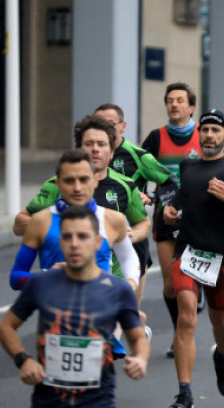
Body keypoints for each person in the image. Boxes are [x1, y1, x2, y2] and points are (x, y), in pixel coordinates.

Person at [0, 205, 149, 408]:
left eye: (82, 236)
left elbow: (137, 337)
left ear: (98, 241)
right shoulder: (41, 284)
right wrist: (23, 359)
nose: (74, 244)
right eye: (67, 237)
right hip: (49, 402)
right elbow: (6, 327)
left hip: (95, 401)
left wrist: (141, 359)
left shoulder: (117, 289)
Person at [162, 109, 224, 408]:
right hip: (187, 252)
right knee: (186, 317)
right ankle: (185, 394)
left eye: (216, 130)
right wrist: (170, 210)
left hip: (222, 257)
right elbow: (180, 198)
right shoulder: (187, 166)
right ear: (198, 135)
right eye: (205, 130)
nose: (210, 135)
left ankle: (223, 355)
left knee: (221, 323)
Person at [9, 150, 144, 354]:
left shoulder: (112, 219)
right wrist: (48, 277)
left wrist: (131, 283)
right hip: (54, 328)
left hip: (99, 325)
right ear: (58, 184)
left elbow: (128, 257)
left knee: (99, 383)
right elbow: (15, 277)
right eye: (70, 181)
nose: (78, 187)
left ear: (95, 180)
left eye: (84, 179)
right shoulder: (40, 221)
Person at [141, 82, 203, 358]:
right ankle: (179, 331)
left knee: (192, 280)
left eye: (180, 100)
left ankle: (185, 328)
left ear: (191, 107)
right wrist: (140, 194)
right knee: (170, 285)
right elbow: (139, 173)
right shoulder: (156, 139)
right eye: (170, 100)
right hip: (165, 217)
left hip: (201, 218)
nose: (174, 104)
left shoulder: (205, 136)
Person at [94, 103, 175, 307]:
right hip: (95, 241)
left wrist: (151, 197)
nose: (103, 128)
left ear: (123, 126)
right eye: (98, 123)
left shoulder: (138, 155)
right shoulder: (87, 157)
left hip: (131, 238)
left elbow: (169, 183)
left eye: (109, 124)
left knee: (127, 313)